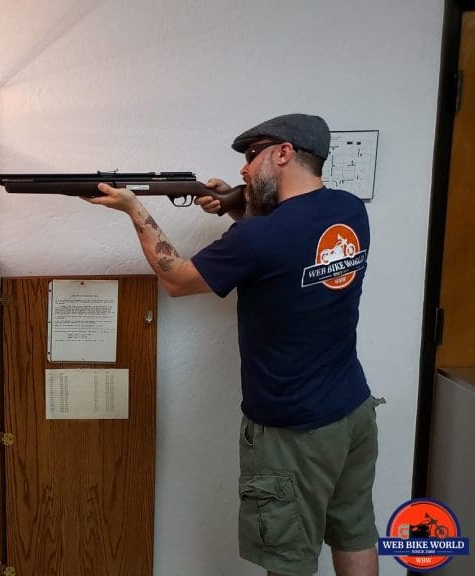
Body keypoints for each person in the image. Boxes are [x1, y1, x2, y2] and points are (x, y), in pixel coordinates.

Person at [86, 114, 380, 576]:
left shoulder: (258, 236)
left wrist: (133, 208)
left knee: (289, 562)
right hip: (353, 413)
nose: (243, 171)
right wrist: (231, 207)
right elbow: (289, 246)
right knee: (355, 533)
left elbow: (176, 279)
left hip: (292, 434)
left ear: (283, 153)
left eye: (251, 157)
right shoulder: (348, 210)